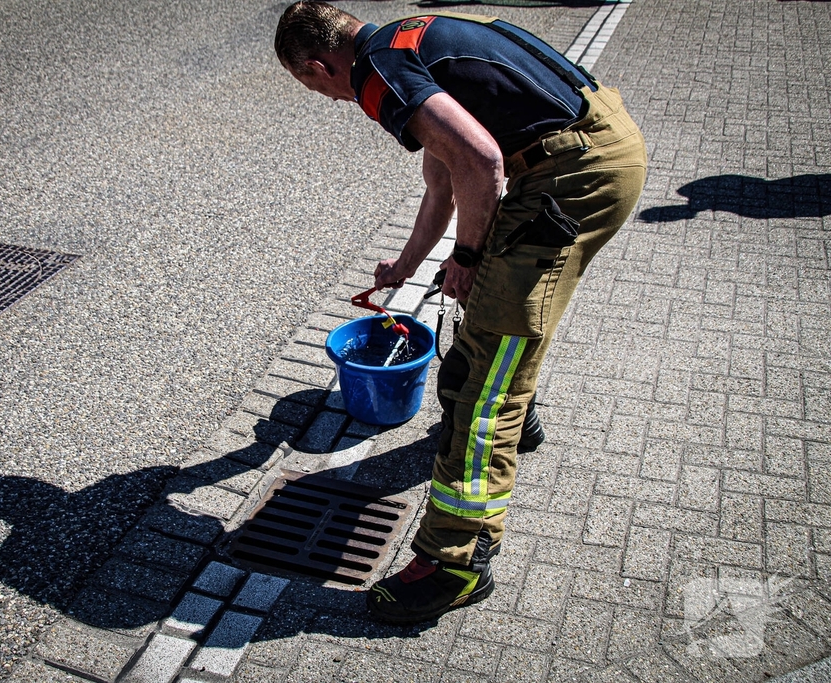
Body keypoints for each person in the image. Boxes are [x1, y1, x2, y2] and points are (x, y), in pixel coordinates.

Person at [275, 1, 647, 624]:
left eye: (311, 85)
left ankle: (455, 563)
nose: (326, 98)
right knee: (490, 340)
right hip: (594, 143)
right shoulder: (404, 38)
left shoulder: (377, 74)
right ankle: (518, 422)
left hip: (570, 174)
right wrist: (405, 266)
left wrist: (469, 255)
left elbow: (481, 163)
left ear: (318, 65)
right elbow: (444, 180)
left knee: (481, 393)